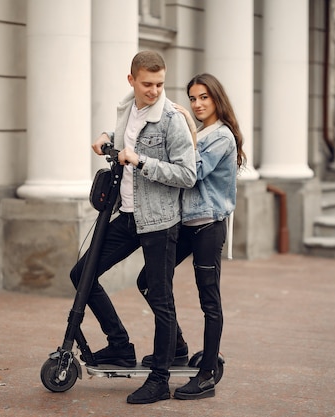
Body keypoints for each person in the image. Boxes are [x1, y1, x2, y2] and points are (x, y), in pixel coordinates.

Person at [69, 51, 196, 404]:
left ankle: (159, 379)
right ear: (132, 81)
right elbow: (129, 135)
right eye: (147, 84)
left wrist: (141, 162)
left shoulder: (172, 120)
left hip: (159, 222)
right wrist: (106, 136)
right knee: (81, 274)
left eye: (160, 84)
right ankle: (120, 346)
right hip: (126, 216)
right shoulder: (127, 108)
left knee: (160, 296)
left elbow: (187, 174)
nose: (155, 91)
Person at [136, 73, 246, 400]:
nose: (197, 105)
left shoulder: (221, 136)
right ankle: (177, 347)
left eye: (204, 98)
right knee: (149, 279)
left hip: (209, 226)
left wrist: (185, 127)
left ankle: (208, 372)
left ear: (217, 100)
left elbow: (191, 172)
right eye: (193, 99)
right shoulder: (202, 132)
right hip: (186, 225)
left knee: (208, 298)